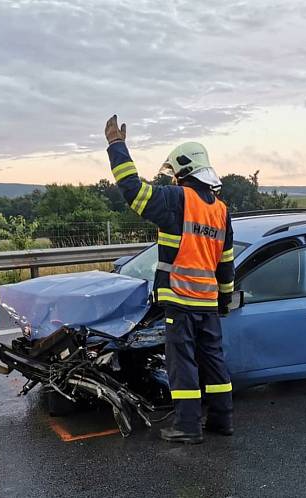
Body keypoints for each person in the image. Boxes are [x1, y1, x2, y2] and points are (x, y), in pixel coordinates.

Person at [104, 115, 235, 444]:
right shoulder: (220, 209)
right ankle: (222, 420)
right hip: (207, 301)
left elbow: (132, 191)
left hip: (181, 297)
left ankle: (188, 427)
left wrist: (117, 147)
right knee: (214, 361)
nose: (173, 179)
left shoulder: (177, 199)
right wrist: (223, 300)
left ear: (183, 170)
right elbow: (226, 263)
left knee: (183, 364)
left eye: (175, 173)